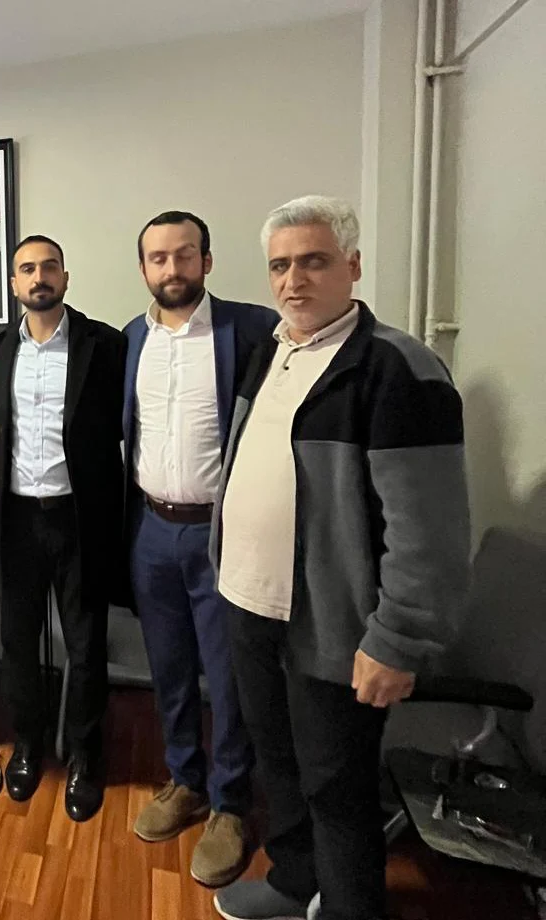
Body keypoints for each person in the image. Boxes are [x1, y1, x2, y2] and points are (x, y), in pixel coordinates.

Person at [211, 196, 470, 920]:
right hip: (249, 603)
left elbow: (429, 530)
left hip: (331, 624)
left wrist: (397, 639)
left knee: (337, 786)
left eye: (314, 261)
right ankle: (296, 882)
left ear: (352, 266)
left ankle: (351, 907)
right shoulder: (270, 351)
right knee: (279, 763)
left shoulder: (397, 368)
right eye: (280, 266)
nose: (294, 280)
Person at [124, 211, 276, 888]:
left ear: (206, 261)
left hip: (224, 531)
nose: (172, 269)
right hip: (151, 528)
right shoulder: (133, 338)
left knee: (230, 675)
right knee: (170, 667)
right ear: (143, 269)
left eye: (184, 255)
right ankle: (184, 779)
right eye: (158, 258)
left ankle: (230, 804)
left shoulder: (251, 330)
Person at [0, 235, 126, 821]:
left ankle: (86, 756)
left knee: (86, 643)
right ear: (14, 284)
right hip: (16, 518)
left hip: (80, 517)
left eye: (49, 267)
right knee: (18, 641)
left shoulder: (107, 345)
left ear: (65, 278)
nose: (38, 277)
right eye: (27, 269)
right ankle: (28, 743)